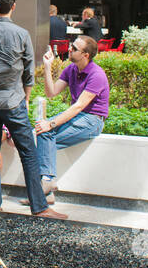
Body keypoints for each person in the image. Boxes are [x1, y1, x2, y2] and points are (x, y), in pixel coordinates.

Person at [0, 0, 66, 219]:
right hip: (13, 101)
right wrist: (27, 98)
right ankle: (39, 207)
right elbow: (29, 73)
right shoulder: (21, 34)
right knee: (28, 153)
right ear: (13, 7)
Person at [32, 35, 111, 203]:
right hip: (79, 116)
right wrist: (47, 67)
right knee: (43, 132)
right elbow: (51, 92)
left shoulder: (97, 75)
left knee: (47, 132)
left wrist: (51, 123)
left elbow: (78, 106)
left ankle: (45, 186)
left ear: (85, 55)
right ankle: (47, 188)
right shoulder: (71, 69)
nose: (69, 49)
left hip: (93, 120)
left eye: (74, 48)